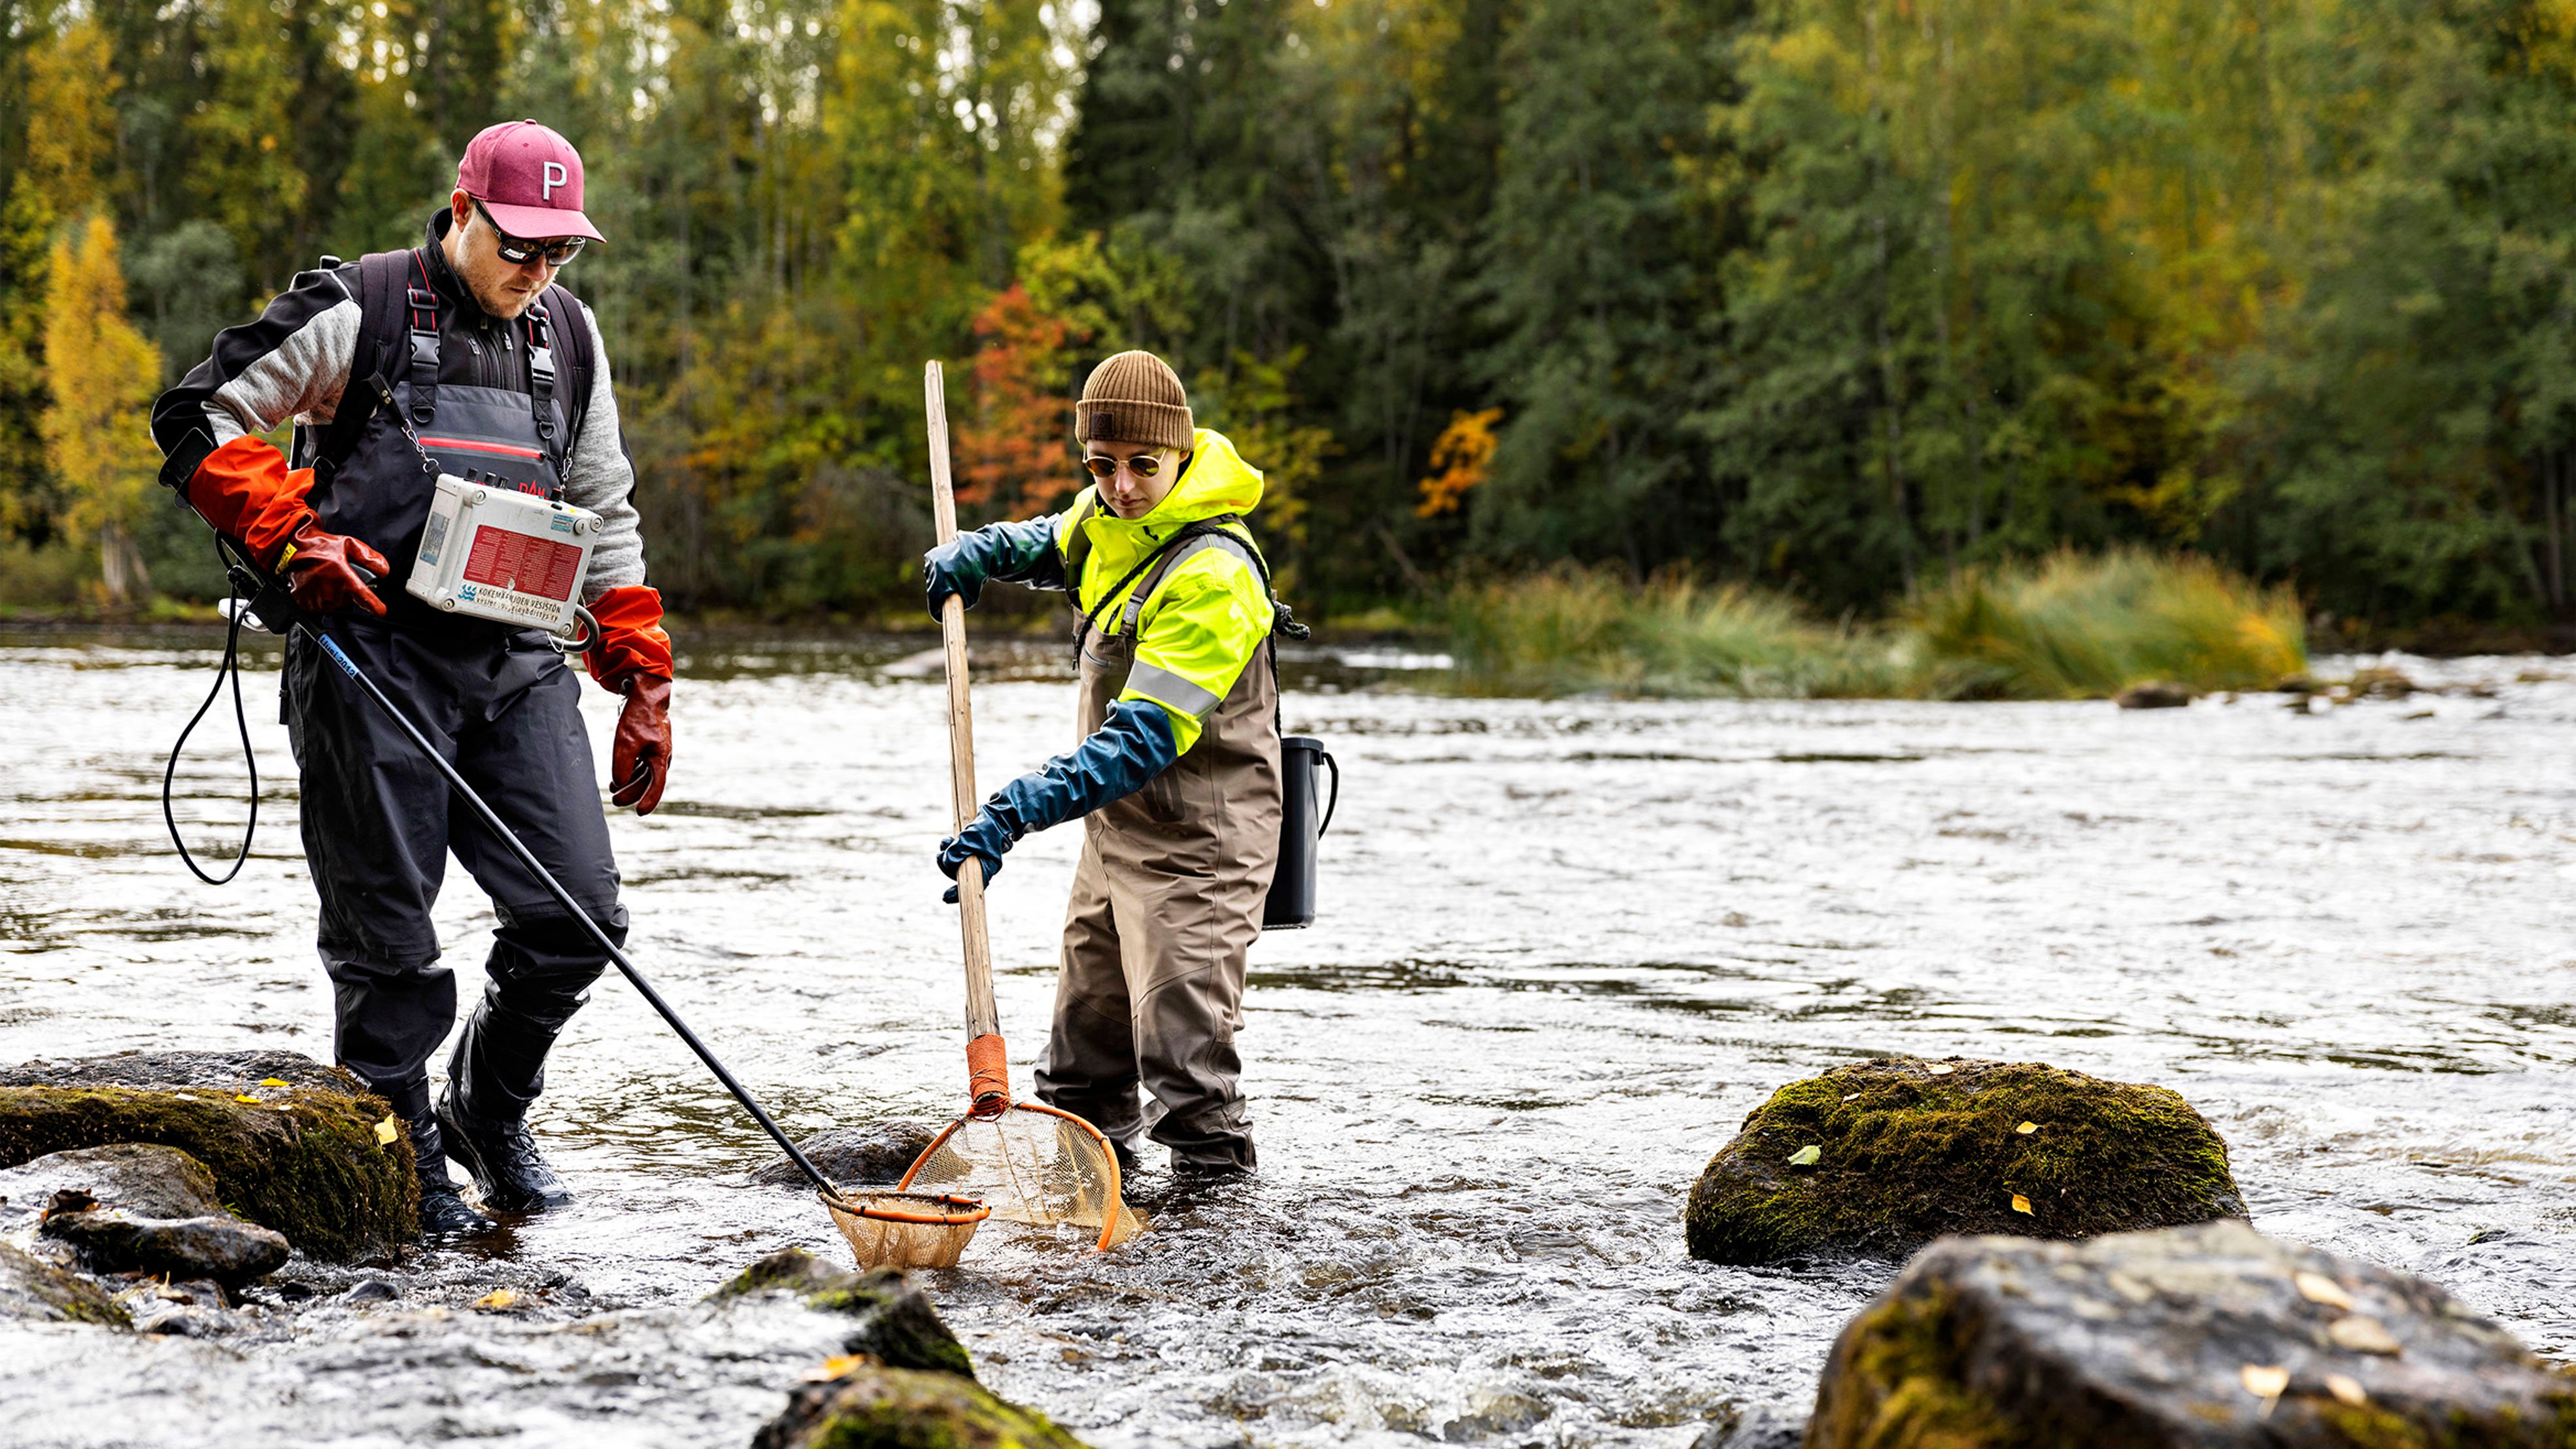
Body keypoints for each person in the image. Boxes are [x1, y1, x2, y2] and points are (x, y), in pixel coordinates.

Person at [148, 121, 672, 1237]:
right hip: (367, 663)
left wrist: (644, 678)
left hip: (518, 664)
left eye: (559, 253)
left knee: (579, 912)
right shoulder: (363, 307)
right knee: (390, 949)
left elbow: (606, 508)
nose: (537, 273)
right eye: (519, 246)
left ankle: (488, 1108)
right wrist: (291, 540)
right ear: (461, 209)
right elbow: (196, 415)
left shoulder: (569, 338)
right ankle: (403, 1149)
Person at [924, 350, 1287, 1182]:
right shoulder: (1108, 515)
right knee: (1082, 1059)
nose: (1121, 485)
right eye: (1101, 464)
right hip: (1117, 837)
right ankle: (1089, 1233)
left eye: (1141, 466)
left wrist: (1013, 809)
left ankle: (1219, 1256)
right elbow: (1059, 539)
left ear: (1182, 453)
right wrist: (984, 551)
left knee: (1184, 1060)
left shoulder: (1217, 576)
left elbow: (1142, 741)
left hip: (1203, 850)